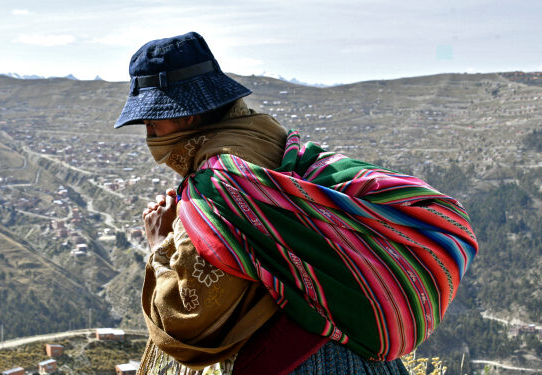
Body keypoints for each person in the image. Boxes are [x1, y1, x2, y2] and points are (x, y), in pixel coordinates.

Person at [114, 32, 477, 375]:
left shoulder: (218, 186)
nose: (150, 136)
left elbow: (190, 320)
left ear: (184, 115)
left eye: (151, 122)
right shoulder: (277, 146)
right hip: (364, 355)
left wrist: (159, 246)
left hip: (299, 362)